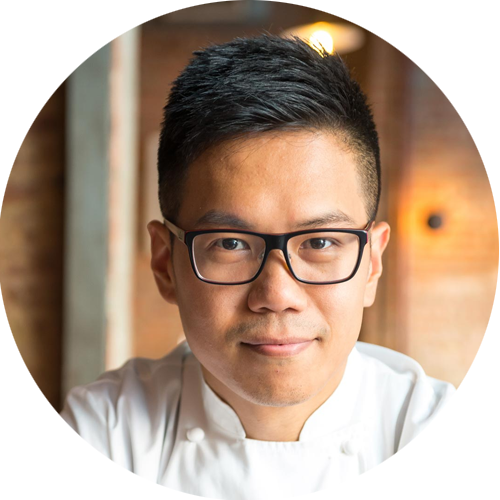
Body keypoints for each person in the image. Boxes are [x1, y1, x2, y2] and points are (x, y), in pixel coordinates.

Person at [61, 35, 455, 499]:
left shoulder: (442, 435)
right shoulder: (104, 432)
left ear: (371, 263)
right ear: (166, 263)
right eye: (230, 243)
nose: (278, 295)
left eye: (320, 242)